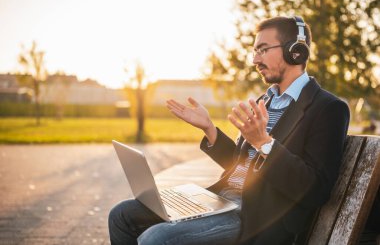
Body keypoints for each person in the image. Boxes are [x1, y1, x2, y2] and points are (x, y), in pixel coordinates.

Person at [108, 16, 350, 245]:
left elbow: (316, 190)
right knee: (121, 215)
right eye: (255, 51)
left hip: (258, 216)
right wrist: (210, 129)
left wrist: (265, 143)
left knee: (156, 238)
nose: (255, 60)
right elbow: (241, 165)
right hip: (223, 200)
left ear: (295, 51)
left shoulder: (328, 108)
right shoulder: (266, 99)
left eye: (263, 49)